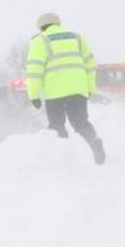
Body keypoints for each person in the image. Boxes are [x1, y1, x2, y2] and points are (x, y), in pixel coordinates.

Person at [24, 12, 106, 165]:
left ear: (41, 27)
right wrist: (89, 88)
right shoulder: (76, 37)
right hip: (78, 90)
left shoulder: (40, 40)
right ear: (57, 23)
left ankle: (65, 159)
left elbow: (34, 70)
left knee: (57, 125)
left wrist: (33, 95)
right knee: (81, 123)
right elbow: (90, 65)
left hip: (55, 93)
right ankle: (95, 143)